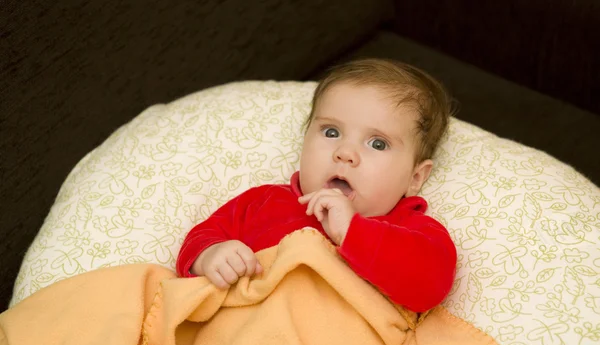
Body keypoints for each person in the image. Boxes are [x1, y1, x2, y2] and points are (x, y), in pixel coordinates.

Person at [176, 59, 457, 312]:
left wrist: (354, 233)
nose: (345, 152)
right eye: (331, 132)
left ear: (415, 178)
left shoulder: (412, 232)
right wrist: (210, 255)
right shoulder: (263, 202)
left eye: (378, 143)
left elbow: (430, 285)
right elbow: (202, 237)